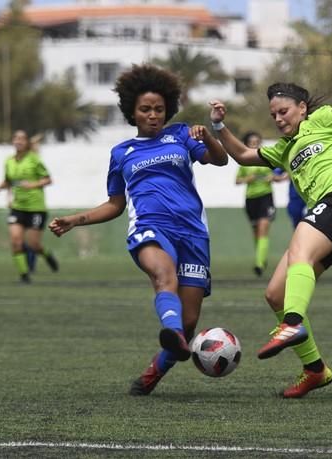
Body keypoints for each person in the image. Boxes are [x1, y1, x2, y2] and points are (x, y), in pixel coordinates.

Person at [48, 64, 229, 396]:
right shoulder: (121, 153)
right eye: (145, 109)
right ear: (132, 111)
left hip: (193, 234)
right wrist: (76, 219)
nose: (153, 115)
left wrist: (212, 134)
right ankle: (171, 331)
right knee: (164, 277)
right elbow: (115, 204)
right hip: (150, 228)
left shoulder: (181, 135)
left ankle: (153, 373)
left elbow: (220, 160)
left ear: (168, 109)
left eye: (159, 109)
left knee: (190, 323)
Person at [203, 82, 332, 398]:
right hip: (330, 217)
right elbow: (245, 155)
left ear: (302, 108)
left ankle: (292, 321)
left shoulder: (323, 119)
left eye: (283, 111)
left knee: (300, 245)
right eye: (273, 114)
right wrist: (219, 126)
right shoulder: (285, 149)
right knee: (276, 293)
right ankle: (315, 369)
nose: (278, 118)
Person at [0, 129, 59, 283]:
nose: (18, 141)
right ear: (12, 141)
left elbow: (48, 179)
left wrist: (33, 184)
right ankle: (24, 275)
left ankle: (47, 255)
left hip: (36, 208)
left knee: (33, 244)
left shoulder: (34, 159)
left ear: (26, 142)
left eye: (22, 138)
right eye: (16, 138)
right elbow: (8, 181)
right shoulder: (8, 161)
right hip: (17, 207)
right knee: (16, 241)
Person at [235, 131, 285, 276]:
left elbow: (280, 173)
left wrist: (274, 177)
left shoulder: (267, 158)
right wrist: (247, 179)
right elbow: (237, 181)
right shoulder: (245, 161)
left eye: (257, 141)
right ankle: (262, 258)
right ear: (247, 144)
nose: (255, 144)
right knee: (256, 231)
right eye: (252, 142)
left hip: (266, 197)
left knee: (263, 228)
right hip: (251, 199)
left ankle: (259, 263)